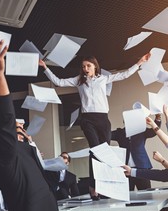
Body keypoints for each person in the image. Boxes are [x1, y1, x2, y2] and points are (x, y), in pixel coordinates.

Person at [39, 52, 152, 198]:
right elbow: (59, 82)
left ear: (95, 67)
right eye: (83, 66)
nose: (86, 68)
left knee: (103, 152)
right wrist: (45, 67)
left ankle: (103, 184)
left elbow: (124, 75)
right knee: (95, 150)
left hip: (103, 119)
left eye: (88, 66)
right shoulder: (79, 81)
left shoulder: (103, 79)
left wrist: (140, 63)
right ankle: (93, 186)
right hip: (87, 119)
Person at [0, 37, 60, 211]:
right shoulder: (8, 158)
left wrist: (29, 140)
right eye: (16, 130)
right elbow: (5, 118)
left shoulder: (26, 151)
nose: (21, 129)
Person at [111, 113, 162, 211]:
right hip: (125, 172)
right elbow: (106, 134)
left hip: (142, 170)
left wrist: (158, 119)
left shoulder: (141, 131)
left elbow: (154, 132)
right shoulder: (119, 133)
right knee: (126, 203)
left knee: (149, 200)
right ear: (124, 121)